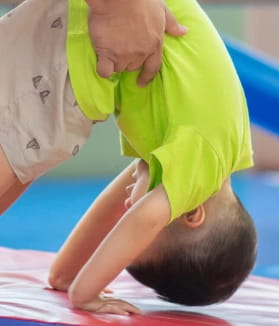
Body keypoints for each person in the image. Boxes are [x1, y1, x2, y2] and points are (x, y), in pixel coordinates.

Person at [0, 0, 257, 316]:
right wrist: (85, 294)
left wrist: (67, 276)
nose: (128, 208)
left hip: (85, 23)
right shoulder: (202, 167)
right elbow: (142, 219)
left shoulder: (208, 150)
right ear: (192, 214)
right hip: (93, 33)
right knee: (30, 143)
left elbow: (116, 209)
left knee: (26, 157)